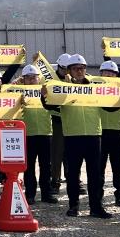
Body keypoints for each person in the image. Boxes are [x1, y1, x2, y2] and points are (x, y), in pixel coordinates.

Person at [42, 55, 111, 219]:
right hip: (72, 136)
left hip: (94, 135)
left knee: (95, 174)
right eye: (75, 69)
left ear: (85, 69)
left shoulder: (95, 88)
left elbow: (109, 107)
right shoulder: (64, 88)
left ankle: (96, 207)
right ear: (69, 71)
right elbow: (50, 105)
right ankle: (73, 206)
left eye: (82, 68)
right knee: (73, 174)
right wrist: (43, 96)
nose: (79, 71)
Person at [19, 64, 56, 205]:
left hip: (45, 133)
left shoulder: (45, 92)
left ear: (38, 78)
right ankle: (30, 194)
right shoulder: (18, 93)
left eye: (33, 77)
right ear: (23, 79)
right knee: (29, 167)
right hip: (27, 134)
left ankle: (47, 193)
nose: (31, 80)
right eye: (27, 78)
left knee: (46, 166)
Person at [97, 61, 120, 207]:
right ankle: (98, 194)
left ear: (116, 75)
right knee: (99, 166)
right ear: (100, 74)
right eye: (106, 72)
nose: (109, 75)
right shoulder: (95, 89)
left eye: (112, 73)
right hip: (99, 131)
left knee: (118, 166)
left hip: (117, 131)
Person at [49, 53, 71, 195]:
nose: (66, 72)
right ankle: (55, 181)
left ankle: (73, 179)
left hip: (72, 119)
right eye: (64, 69)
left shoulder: (75, 80)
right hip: (57, 120)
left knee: (71, 152)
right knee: (56, 153)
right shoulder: (51, 80)